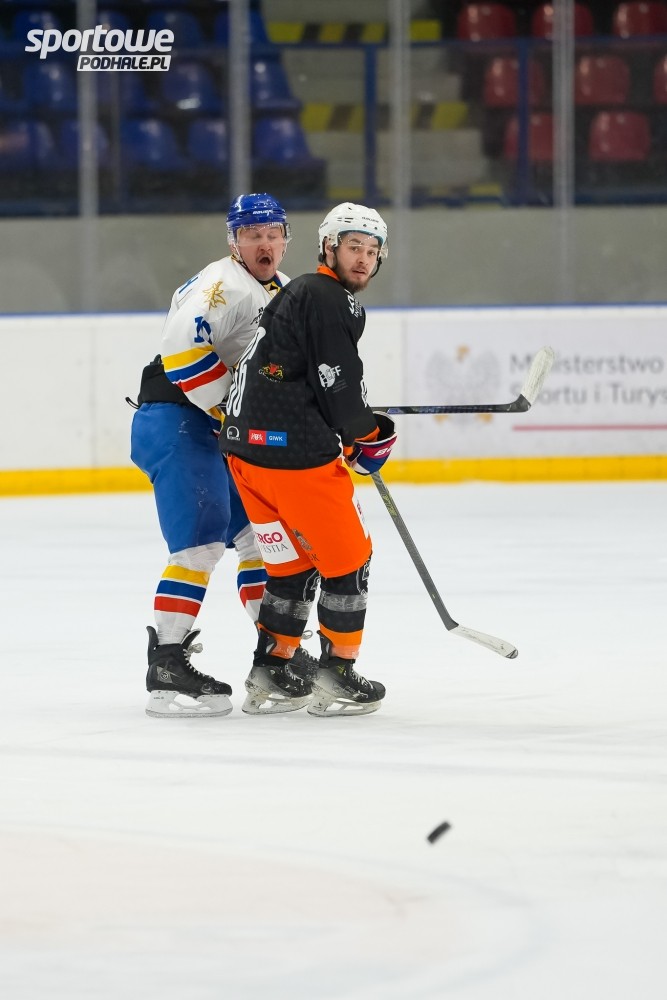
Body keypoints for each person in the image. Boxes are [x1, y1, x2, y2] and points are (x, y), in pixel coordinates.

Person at [130, 193, 318, 719]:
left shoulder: (279, 289)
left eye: (273, 234)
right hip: (178, 419)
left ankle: (275, 657)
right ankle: (167, 664)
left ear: (286, 240)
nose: (264, 243)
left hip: (213, 426)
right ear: (234, 242)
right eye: (252, 235)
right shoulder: (223, 284)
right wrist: (230, 412)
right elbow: (183, 353)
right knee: (199, 546)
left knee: (259, 539)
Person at [220, 202, 397, 717]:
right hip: (293, 459)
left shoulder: (298, 292)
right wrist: (366, 435)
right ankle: (337, 674)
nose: (362, 259)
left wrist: (351, 425)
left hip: (247, 455)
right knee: (349, 561)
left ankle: (273, 671)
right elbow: (336, 383)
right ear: (328, 248)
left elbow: (296, 376)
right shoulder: (330, 298)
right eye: (353, 247)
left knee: (292, 566)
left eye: (371, 252)